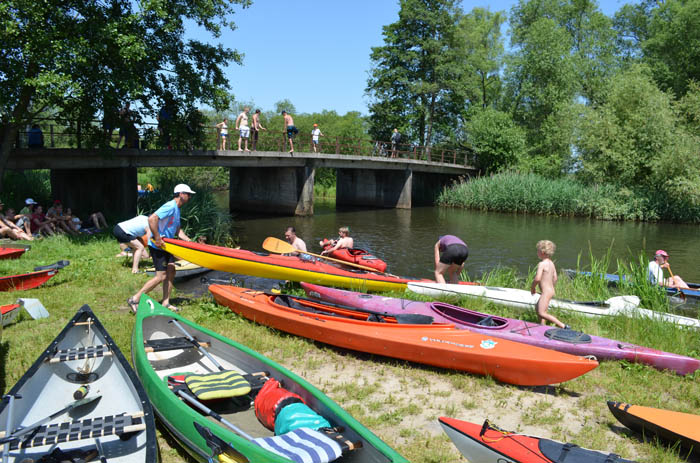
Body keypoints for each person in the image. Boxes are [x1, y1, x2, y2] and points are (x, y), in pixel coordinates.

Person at [127, 184, 195, 313]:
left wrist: (191, 242)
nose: (190, 197)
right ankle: (135, 299)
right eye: (188, 194)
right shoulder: (170, 206)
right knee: (160, 276)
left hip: (167, 246)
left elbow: (178, 231)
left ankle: (166, 302)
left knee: (171, 271)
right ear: (181, 194)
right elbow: (152, 218)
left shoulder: (177, 209)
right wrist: (157, 237)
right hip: (158, 246)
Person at [530, 240, 567, 329]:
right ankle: (542, 327)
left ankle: (563, 326)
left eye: (538, 251)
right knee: (539, 308)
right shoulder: (551, 263)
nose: (537, 253)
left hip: (546, 292)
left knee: (541, 312)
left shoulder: (542, 264)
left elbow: (537, 278)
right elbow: (555, 278)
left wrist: (533, 287)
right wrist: (551, 287)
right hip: (550, 291)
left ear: (542, 252)